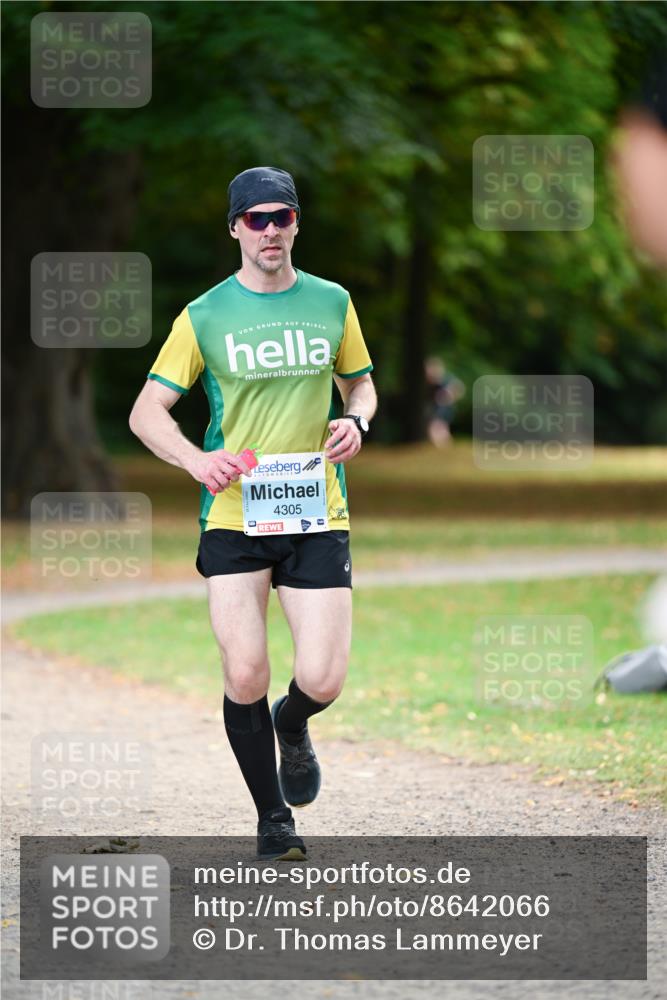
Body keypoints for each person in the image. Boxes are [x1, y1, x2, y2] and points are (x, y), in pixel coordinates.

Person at [129, 166, 377, 861]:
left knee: (323, 678)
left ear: (297, 223)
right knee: (244, 672)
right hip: (234, 514)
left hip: (316, 510)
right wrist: (194, 462)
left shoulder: (332, 302)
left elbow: (360, 386)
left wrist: (357, 421)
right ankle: (274, 821)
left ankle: (291, 723)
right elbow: (146, 412)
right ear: (235, 228)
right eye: (256, 219)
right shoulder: (203, 316)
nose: (271, 230)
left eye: (282, 217)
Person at [424, 356, 465, 448]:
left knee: (435, 429)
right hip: (437, 411)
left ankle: (443, 449)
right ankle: (445, 449)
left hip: (444, 411)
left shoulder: (446, 379)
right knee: (441, 431)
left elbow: (460, 388)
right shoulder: (434, 382)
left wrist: (450, 395)